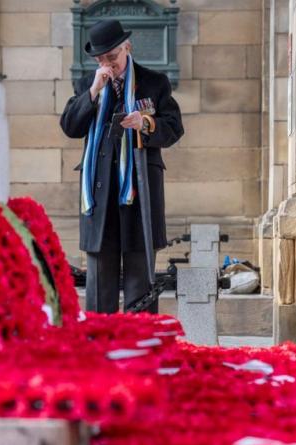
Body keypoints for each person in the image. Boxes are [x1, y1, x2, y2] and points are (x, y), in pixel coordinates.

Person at [60, 19, 184, 314]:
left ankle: (140, 345)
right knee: (100, 280)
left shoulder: (154, 82)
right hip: (99, 197)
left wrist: (146, 124)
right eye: (101, 59)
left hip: (139, 191)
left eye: (112, 57)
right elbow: (70, 126)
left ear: (127, 48)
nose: (107, 65)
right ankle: (100, 346)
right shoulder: (86, 85)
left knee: (140, 278)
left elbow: (174, 127)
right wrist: (92, 92)